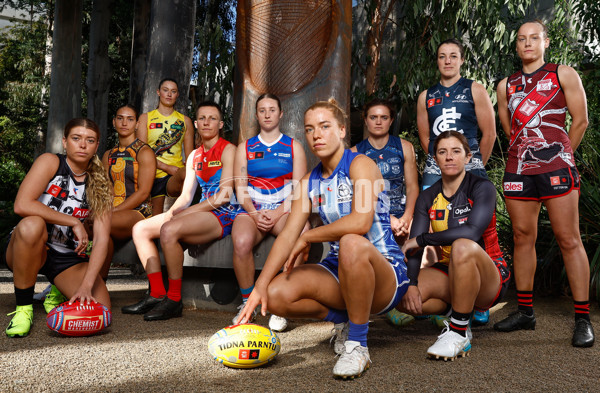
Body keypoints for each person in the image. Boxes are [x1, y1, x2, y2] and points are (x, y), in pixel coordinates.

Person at [236, 99, 409, 379]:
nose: (317, 134)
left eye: (325, 126)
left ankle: (358, 345)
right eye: (310, 129)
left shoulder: (361, 165)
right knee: (277, 294)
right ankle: (344, 320)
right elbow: (288, 236)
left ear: (342, 130)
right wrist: (259, 287)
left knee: (352, 242)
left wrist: (310, 237)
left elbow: (360, 221)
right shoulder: (308, 182)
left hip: (384, 270)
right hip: (340, 268)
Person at [494, 20, 594, 348]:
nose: (527, 43)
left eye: (533, 38)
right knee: (523, 237)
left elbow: (580, 121)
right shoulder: (504, 85)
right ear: (517, 44)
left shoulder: (562, 74)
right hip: (519, 168)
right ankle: (525, 313)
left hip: (557, 166)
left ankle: (582, 319)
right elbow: (510, 131)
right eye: (521, 38)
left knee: (569, 239)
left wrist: (562, 155)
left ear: (545, 42)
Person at [398, 131, 510, 360]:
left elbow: (472, 231)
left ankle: (459, 332)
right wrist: (411, 283)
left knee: (462, 244)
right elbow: (413, 249)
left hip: (490, 275)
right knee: (402, 297)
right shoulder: (428, 196)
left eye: (456, 151)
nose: (449, 157)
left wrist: (421, 239)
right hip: (450, 270)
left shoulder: (482, 187)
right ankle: (457, 310)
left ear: (468, 157)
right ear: (435, 159)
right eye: (442, 152)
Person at [123, 101, 236, 321]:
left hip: (224, 212)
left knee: (168, 231)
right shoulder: (194, 155)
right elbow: (185, 196)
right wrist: (172, 213)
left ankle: (174, 299)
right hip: (201, 210)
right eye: (202, 118)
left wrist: (186, 215)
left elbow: (225, 195)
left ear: (220, 124)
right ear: (195, 123)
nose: (206, 122)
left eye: (212, 118)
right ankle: (156, 293)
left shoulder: (228, 149)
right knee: (140, 229)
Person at [3, 118, 113, 337]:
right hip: (31, 245)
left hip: (65, 255)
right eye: (76, 138)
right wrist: (73, 221)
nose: (82, 145)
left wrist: (86, 285)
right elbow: (22, 204)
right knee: (32, 224)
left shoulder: (101, 183)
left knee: (100, 313)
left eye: (89, 140)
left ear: (96, 146)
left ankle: (56, 292)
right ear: (65, 142)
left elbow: (101, 239)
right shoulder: (50, 162)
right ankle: (23, 309)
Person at [416, 38, 496, 325]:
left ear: (462, 60)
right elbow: (427, 139)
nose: (447, 61)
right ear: (437, 61)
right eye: (442, 56)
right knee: (431, 229)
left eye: (453, 56)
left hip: (469, 164)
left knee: (475, 230)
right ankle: (444, 295)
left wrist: (474, 166)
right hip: (435, 168)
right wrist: (441, 163)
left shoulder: (474, 88)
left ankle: (478, 300)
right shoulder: (426, 95)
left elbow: (489, 134)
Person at [230, 93, 307, 332]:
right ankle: (247, 303)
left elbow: (299, 189)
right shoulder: (246, 147)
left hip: (283, 209)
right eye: (262, 110)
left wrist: (277, 213)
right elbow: (240, 187)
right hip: (253, 209)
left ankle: (280, 305)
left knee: (303, 233)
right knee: (241, 241)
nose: (267, 114)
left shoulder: (293, 146)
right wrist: (254, 214)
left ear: (281, 114)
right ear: (256, 115)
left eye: (272, 110)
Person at [351, 98, 419, 243]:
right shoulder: (354, 153)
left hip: (402, 214)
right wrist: (388, 219)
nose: (378, 122)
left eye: (384, 117)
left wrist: (406, 218)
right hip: (371, 216)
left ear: (392, 120)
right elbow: (358, 196)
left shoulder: (405, 147)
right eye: (373, 117)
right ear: (365, 120)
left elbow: (412, 187)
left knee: (419, 234)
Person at [136, 78, 194, 215]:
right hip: (151, 174)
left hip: (175, 176)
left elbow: (191, 157)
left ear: (177, 95)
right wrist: (167, 167)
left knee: (188, 173)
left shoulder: (185, 121)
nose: (169, 94)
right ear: (158, 92)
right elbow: (141, 154)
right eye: (165, 90)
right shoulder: (145, 118)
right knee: (155, 221)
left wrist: (180, 171)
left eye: (173, 91)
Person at [102, 104, 155, 240]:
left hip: (139, 210)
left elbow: (143, 192)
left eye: (130, 119)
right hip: (112, 210)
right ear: (114, 122)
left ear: (137, 124)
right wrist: (105, 209)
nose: (124, 123)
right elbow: (107, 188)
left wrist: (114, 211)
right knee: (88, 224)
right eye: (120, 118)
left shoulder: (144, 152)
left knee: (102, 222)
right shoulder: (108, 154)